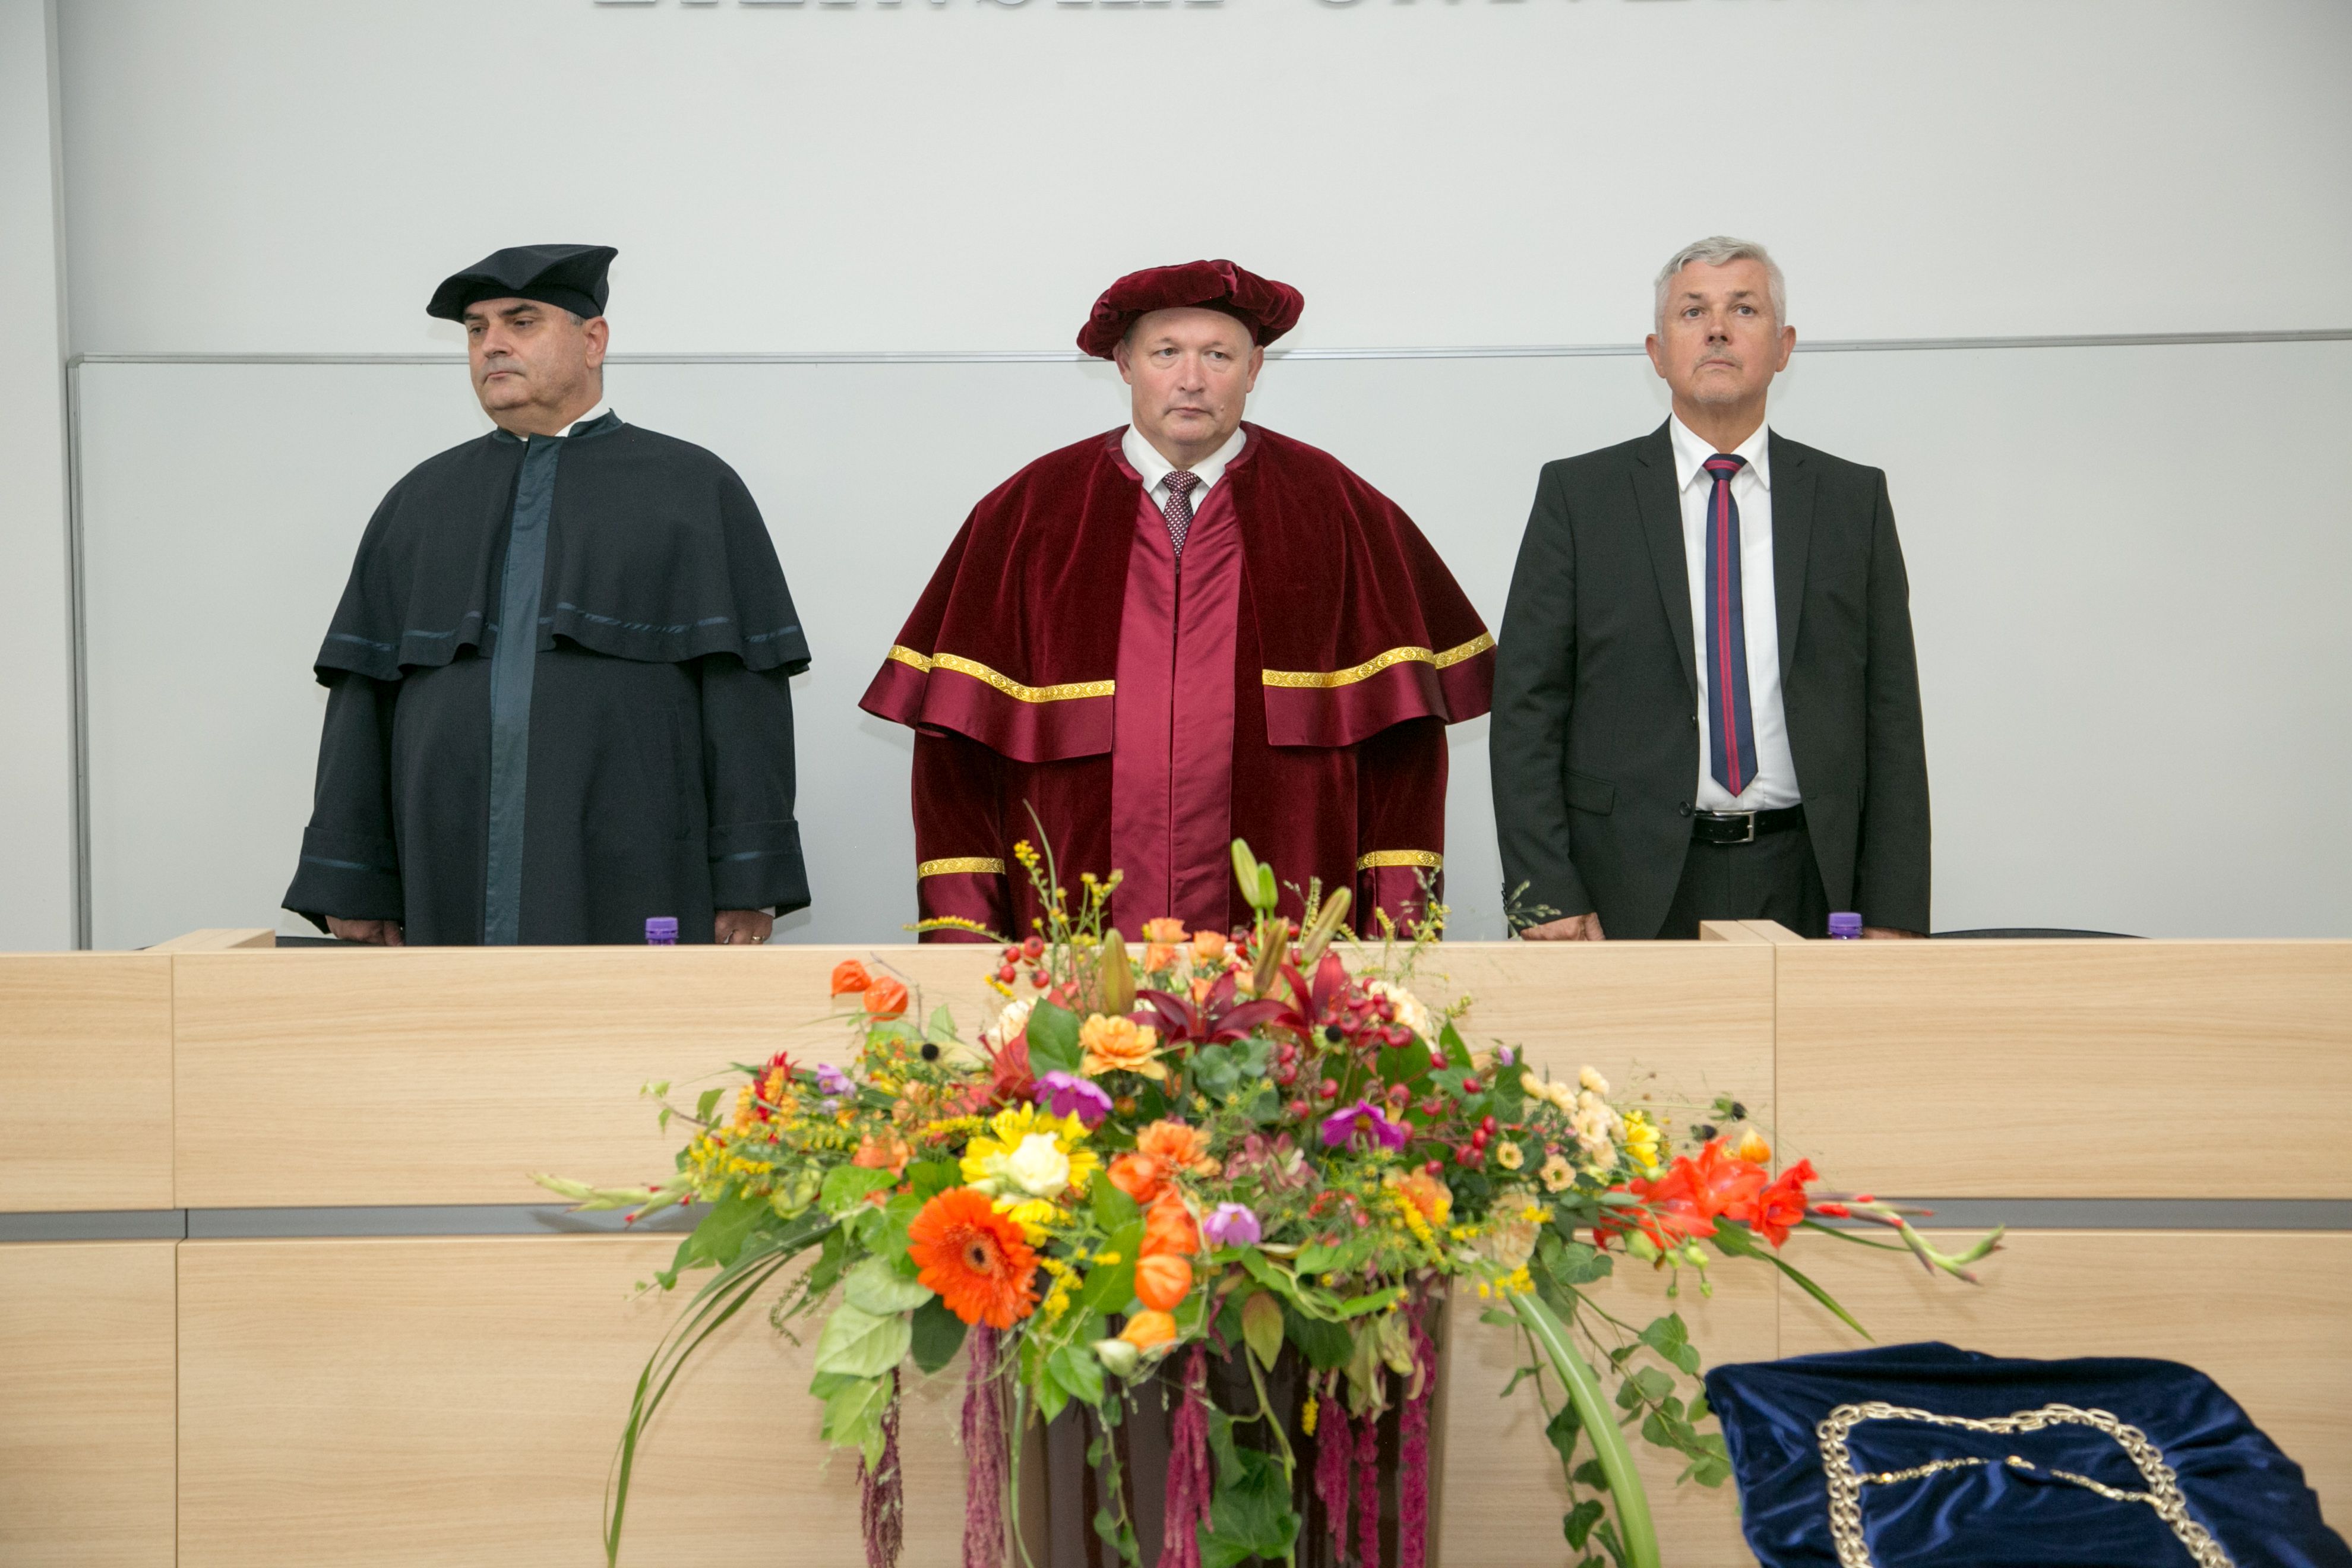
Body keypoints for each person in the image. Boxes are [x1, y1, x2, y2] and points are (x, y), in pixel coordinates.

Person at [861, 260, 1492, 941]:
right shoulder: (1027, 519)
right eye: (1167, 353)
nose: (1192, 379)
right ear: (1125, 364)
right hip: (1071, 967)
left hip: (1290, 970)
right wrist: (965, 950)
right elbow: (953, 768)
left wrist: (1396, 951)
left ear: (1254, 369)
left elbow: (1406, 764)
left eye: (1218, 355)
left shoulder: (1341, 516)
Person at [283, 244, 811, 946]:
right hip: (446, 870)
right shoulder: (420, 501)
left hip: (640, 867)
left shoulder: (693, 490)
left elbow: (746, 709)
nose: (492, 345)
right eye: (477, 329)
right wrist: (354, 883)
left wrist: (749, 882)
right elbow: (359, 711)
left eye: (521, 322)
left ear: (593, 341)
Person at [1491, 236, 1929, 941]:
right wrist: (1545, 896)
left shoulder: (1853, 502)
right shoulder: (1580, 498)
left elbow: (1893, 716)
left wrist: (1894, 911)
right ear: (1657, 351)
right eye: (1693, 311)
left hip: (1812, 877)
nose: (1718, 329)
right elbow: (1526, 709)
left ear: (1783, 347)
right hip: (1624, 883)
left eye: (1744, 309)